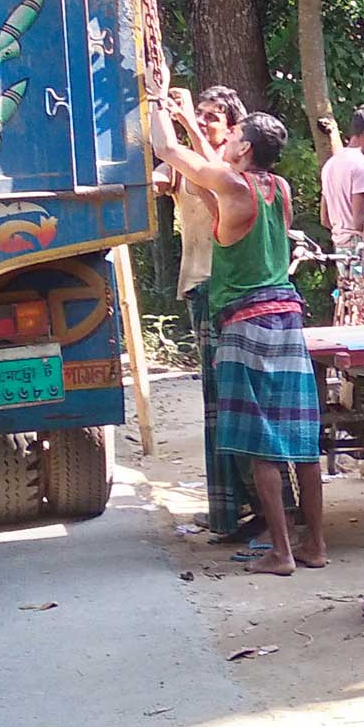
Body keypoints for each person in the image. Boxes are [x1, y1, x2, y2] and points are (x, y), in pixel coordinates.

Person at [151, 89, 325, 575]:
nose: (225, 141)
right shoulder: (278, 190)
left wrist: (155, 104)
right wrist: (189, 120)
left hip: (246, 323)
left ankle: (282, 553)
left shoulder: (233, 186)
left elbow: (168, 153)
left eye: (233, 136)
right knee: (303, 440)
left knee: (259, 442)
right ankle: (316, 545)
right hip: (287, 317)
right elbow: (210, 188)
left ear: (243, 147)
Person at [150, 85, 254, 539]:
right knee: (217, 403)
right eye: (203, 116)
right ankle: (229, 510)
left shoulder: (233, 170)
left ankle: (252, 507)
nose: (206, 122)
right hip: (202, 287)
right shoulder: (187, 168)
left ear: (233, 130)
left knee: (236, 401)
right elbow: (162, 159)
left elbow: (185, 154)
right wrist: (156, 105)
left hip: (229, 289)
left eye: (215, 118)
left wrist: (185, 117)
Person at [320, 104, 364, 254]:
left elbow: (325, 219)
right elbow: (360, 223)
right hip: (362, 250)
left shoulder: (330, 165)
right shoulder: (363, 166)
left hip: (340, 250)